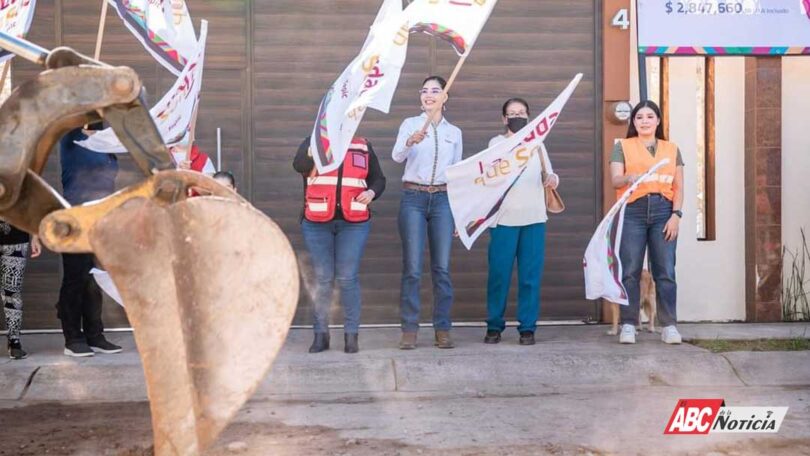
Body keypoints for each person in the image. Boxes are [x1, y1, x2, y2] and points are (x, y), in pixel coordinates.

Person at [293, 135, 386, 353]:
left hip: (354, 223)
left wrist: (371, 192)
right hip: (317, 222)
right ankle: (320, 335)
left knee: (347, 278)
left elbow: (379, 179)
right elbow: (299, 166)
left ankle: (351, 336)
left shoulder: (363, 145)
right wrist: (311, 152)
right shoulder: (313, 141)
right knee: (323, 279)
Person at [392, 76, 463, 350]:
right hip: (414, 198)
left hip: (443, 200)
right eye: (424, 91)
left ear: (445, 98)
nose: (429, 95)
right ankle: (409, 329)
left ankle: (442, 328)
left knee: (441, 268)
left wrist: (458, 212)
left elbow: (457, 173)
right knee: (412, 268)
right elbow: (397, 157)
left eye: (435, 91)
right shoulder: (410, 124)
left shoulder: (454, 132)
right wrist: (410, 141)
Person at [484, 98, 559, 346]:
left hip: (534, 217)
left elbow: (550, 173)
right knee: (499, 275)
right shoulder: (496, 143)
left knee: (530, 276)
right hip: (503, 219)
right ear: (504, 118)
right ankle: (494, 325)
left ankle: (527, 327)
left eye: (522, 113)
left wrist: (552, 179)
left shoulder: (538, 144)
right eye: (512, 113)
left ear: (529, 116)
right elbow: (489, 174)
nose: (517, 116)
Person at [609, 100, 684, 345]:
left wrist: (676, 215)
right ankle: (629, 324)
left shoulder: (672, 149)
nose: (644, 121)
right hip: (633, 210)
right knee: (629, 270)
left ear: (658, 121)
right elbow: (615, 180)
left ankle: (669, 326)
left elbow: (679, 186)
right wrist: (629, 177)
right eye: (639, 117)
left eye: (649, 116)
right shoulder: (622, 146)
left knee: (665, 270)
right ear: (633, 122)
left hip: (664, 211)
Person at [57, 124, 123, 357]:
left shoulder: (107, 142)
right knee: (76, 278)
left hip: (101, 220)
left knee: (94, 278)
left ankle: (95, 335)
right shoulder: (71, 137)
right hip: (75, 219)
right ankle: (73, 338)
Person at [1, 222, 41, 359]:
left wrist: (35, 235)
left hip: (16, 236)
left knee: (12, 292)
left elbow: (30, 203)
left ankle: (14, 341)